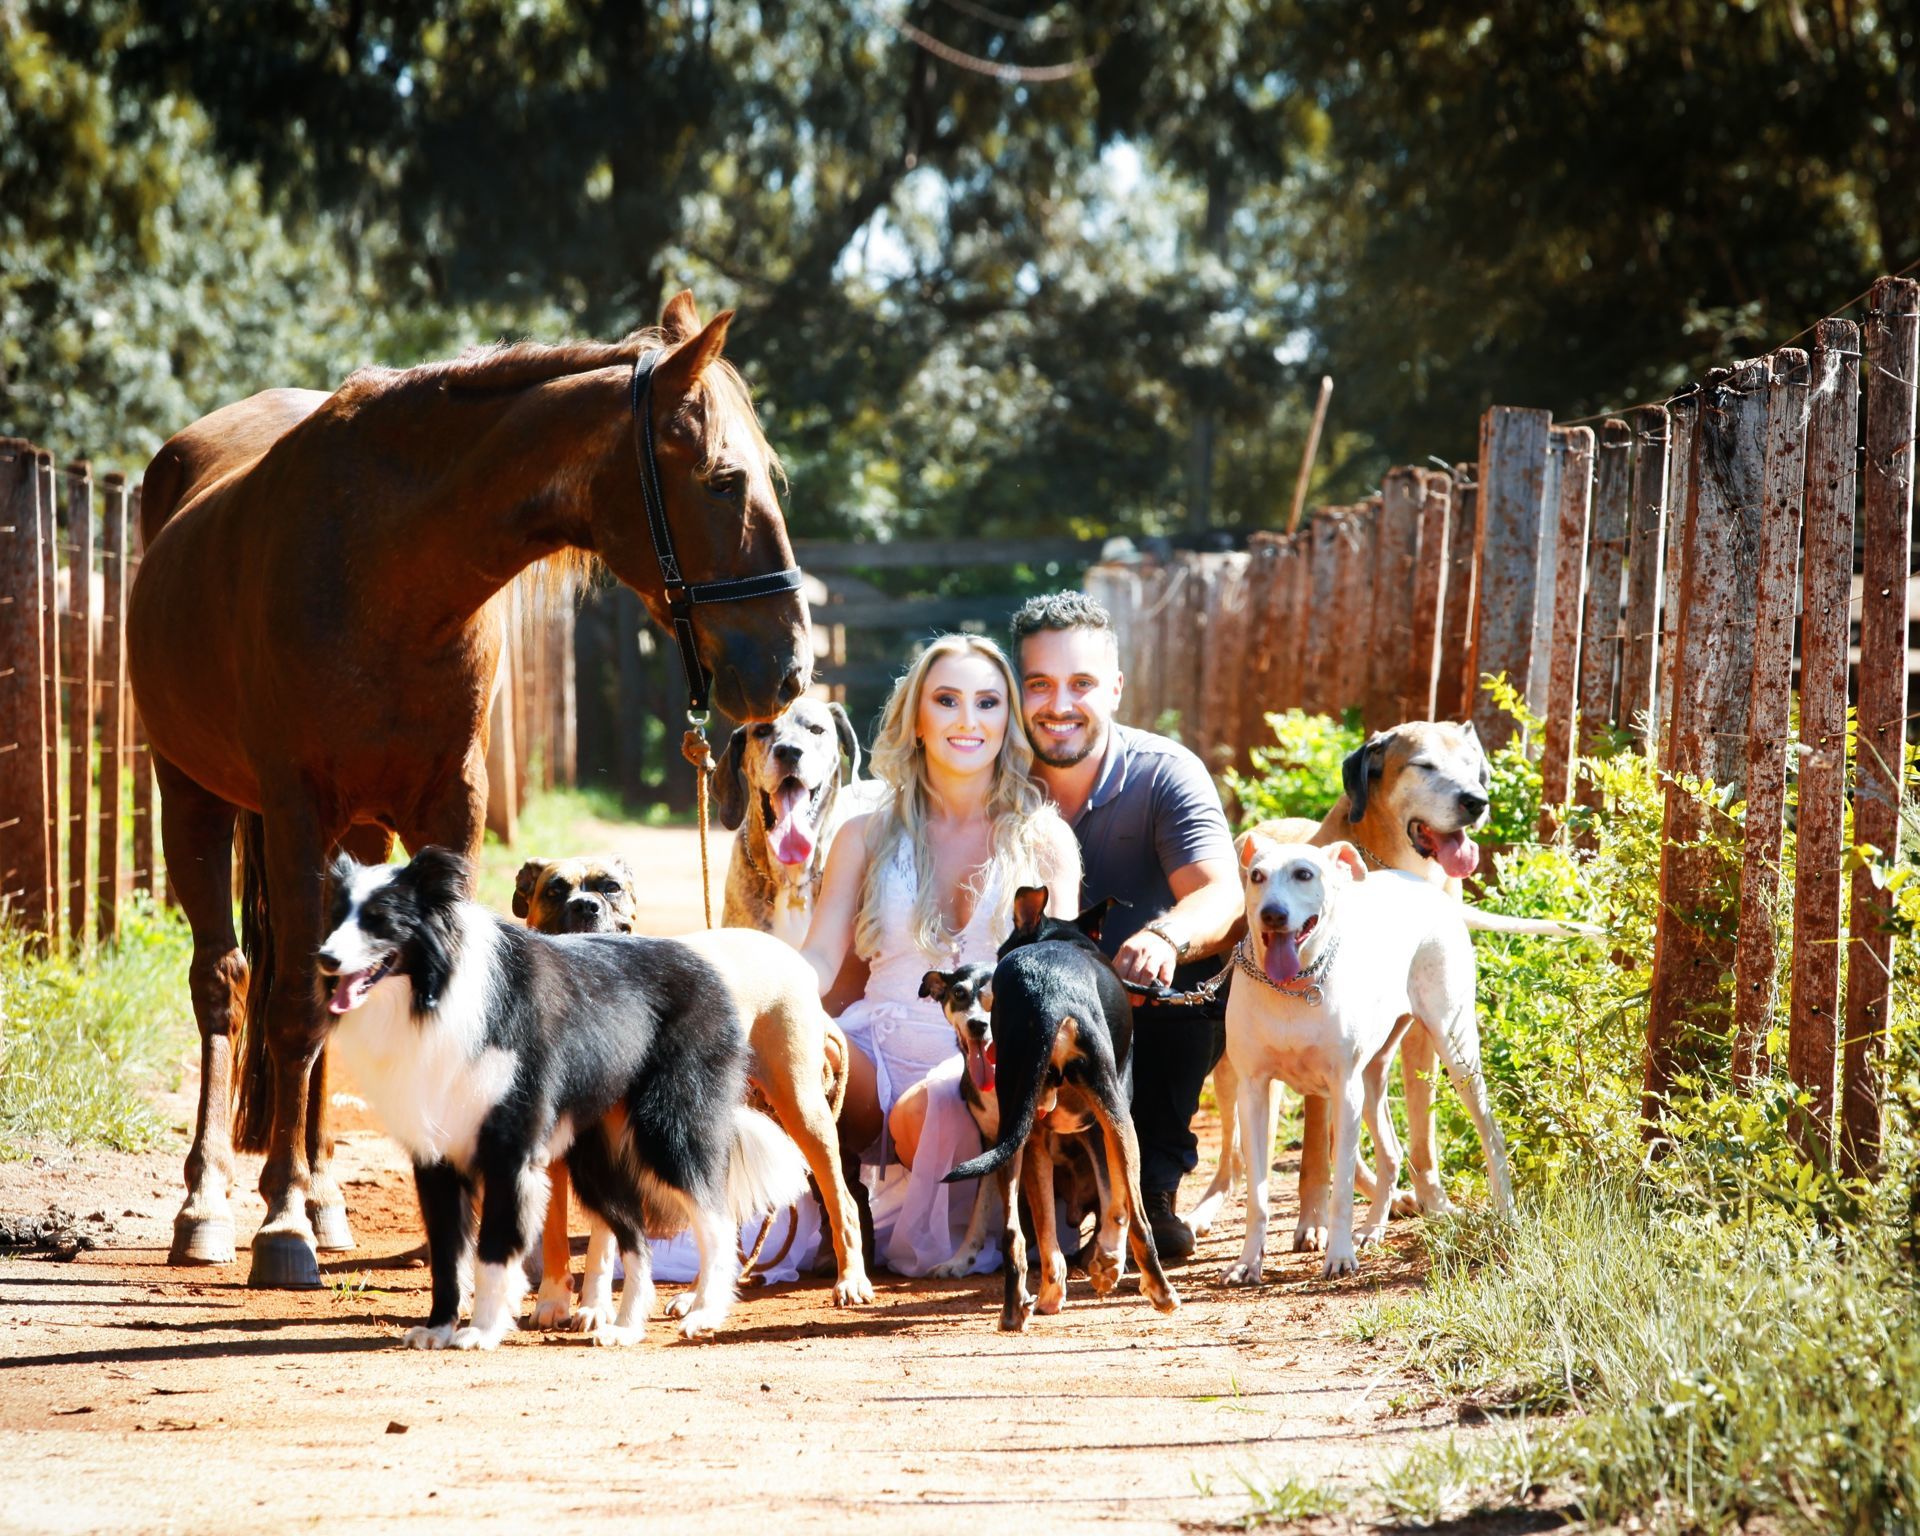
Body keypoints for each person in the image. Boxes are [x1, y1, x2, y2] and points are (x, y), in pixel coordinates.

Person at [801, 634, 1080, 1276]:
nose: (967, 720)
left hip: (988, 1067)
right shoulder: (863, 831)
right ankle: (839, 1206)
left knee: (938, 1104)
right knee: (807, 1051)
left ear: (1007, 721)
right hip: (879, 1050)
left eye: (987, 703)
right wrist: (767, 996)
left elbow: (1058, 977)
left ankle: (973, 1207)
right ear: (916, 718)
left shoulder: (1046, 841)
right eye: (946, 700)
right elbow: (817, 957)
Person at [1010, 591, 1243, 1265]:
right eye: (1040, 685)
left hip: (1139, 1012)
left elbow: (1221, 895)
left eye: (1081, 683)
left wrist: (1165, 938)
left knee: (1199, 962)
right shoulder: (992, 777)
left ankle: (1154, 1186)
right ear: (1017, 692)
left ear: (1114, 687)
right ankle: (1042, 1199)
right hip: (1028, 1023)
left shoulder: (1165, 773)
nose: (1060, 705)